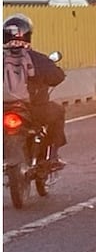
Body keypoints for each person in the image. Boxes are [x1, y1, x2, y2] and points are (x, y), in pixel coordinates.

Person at [2, 14, 67, 169]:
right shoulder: (37, 58)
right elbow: (56, 77)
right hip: (34, 110)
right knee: (58, 111)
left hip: (3, 109)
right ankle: (51, 157)